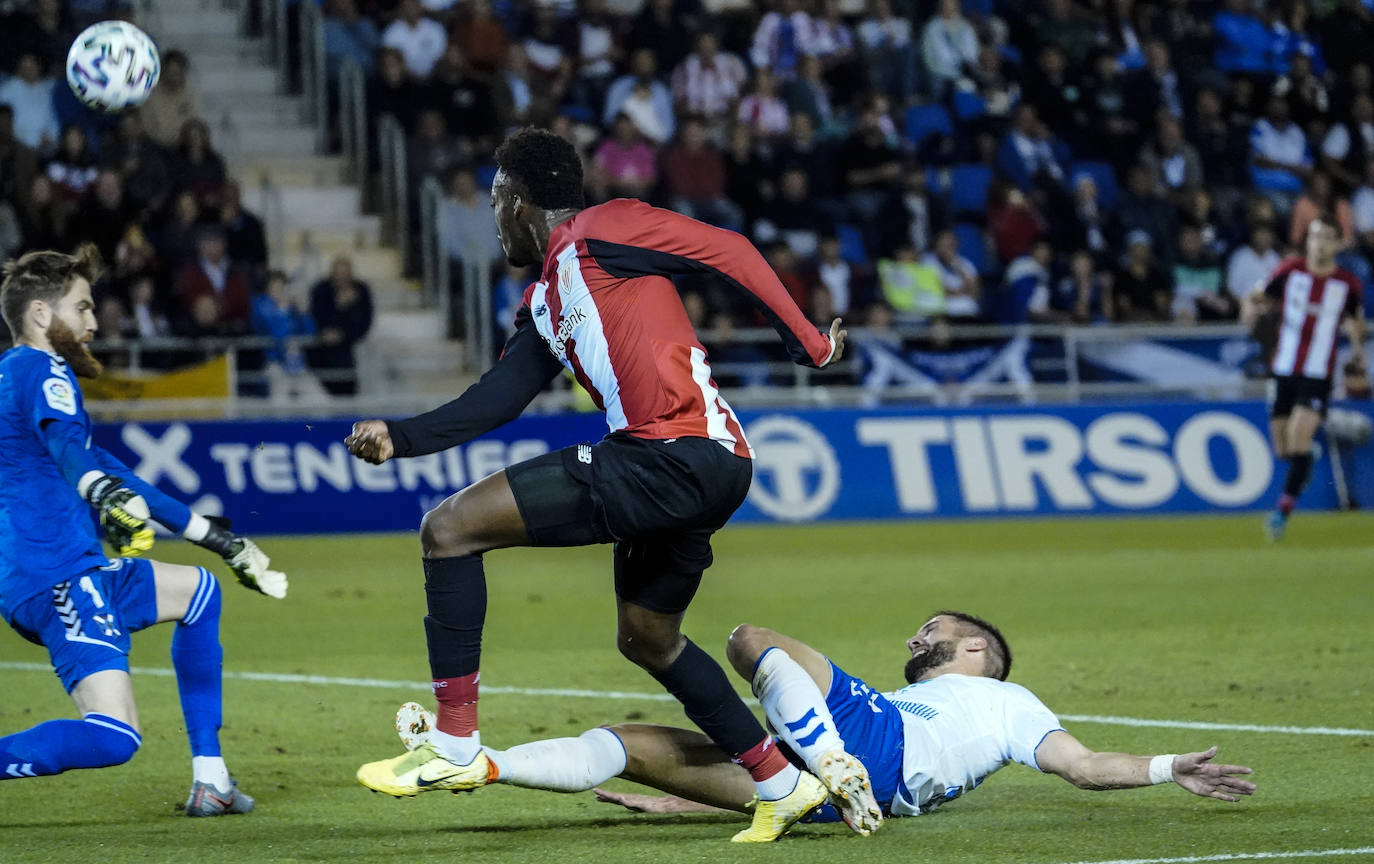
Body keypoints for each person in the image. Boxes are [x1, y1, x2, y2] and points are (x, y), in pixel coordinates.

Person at [345, 127, 849, 843]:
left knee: (447, 531)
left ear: (520, 204)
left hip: (669, 453)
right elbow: (499, 397)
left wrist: (810, 340)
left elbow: (729, 250)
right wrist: (403, 436)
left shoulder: (602, 229)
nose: (492, 221)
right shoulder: (547, 300)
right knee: (648, 639)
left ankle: (456, 744)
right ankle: (779, 783)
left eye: (495, 202)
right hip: (704, 467)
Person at [387, 611, 1256, 838]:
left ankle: (820, 768)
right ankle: (481, 763)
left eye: (939, 630)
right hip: (841, 789)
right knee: (639, 749)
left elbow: (1083, 764)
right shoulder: (919, 695)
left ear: (981, 651)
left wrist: (1164, 766)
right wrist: (692, 808)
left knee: (750, 640)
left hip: (865, 749)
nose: (923, 635)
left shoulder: (1011, 705)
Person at [0, 245, 287, 814]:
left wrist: (220, 539)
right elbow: (70, 453)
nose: (92, 322)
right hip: (55, 577)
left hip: (74, 569)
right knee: (114, 737)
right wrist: (98, 492)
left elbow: (115, 475)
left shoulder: (21, 382)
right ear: (39, 315)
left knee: (198, 592)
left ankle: (212, 780)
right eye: (81, 308)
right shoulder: (39, 370)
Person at [1243, 216, 1366, 541]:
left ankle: (1280, 515)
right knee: (1284, 449)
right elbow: (1257, 296)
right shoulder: (1289, 271)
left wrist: (1356, 350)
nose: (1320, 244)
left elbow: (1355, 319)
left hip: (1318, 373)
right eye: (1315, 237)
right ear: (1307, 240)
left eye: (1327, 238)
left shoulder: (1348, 283)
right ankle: (1306, 456)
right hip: (1283, 369)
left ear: (1339, 244)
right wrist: (1249, 309)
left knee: (1299, 432)